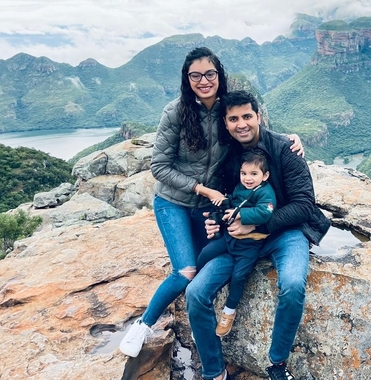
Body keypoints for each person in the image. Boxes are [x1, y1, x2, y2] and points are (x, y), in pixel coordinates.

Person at [119, 48, 303, 358]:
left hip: (209, 210)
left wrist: (288, 138)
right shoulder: (175, 112)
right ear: (186, 79)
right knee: (185, 271)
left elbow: (248, 128)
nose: (203, 81)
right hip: (175, 202)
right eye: (196, 75)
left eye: (210, 74)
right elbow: (159, 167)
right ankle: (142, 325)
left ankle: (213, 352)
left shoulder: (225, 111)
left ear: (219, 76)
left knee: (209, 265)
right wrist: (202, 190)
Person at [185, 90, 331, 380]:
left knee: (291, 285)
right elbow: (224, 202)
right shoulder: (228, 160)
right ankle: (214, 372)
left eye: (247, 116)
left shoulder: (284, 149)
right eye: (234, 119)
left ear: (258, 117)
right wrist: (216, 222)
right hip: (239, 241)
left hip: (285, 233)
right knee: (195, 293)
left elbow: (304, 205)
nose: (242, 124)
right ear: (226, 123)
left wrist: (258, 226)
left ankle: (277, 364)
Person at [196, 148, 276, 338]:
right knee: (206, 253)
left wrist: (240, 214)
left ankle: (229, 312)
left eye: (254, 174)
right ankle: (195, 280)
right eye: (244, 173)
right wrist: (222, 204)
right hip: (230, 238)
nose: (248, 178)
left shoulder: (266, 192)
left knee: (239, 276)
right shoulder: (241, 188)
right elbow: (234, 200)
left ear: (265, 176)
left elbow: (266, 212)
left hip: (249, 246)